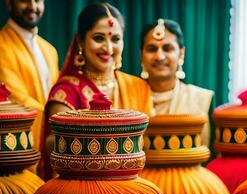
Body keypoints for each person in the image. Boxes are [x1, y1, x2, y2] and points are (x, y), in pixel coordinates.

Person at [39, 3, 152, 180]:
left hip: (136, 183)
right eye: (99, 38)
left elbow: (150, 146)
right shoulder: (66, 92)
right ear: (81, 41)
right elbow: (55, 145)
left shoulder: (138, 87)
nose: (108, 48)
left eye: (115, 39)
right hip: (84, 186)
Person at [140, 19, 214, 146]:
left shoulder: (202, 100)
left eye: (167, 48)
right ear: (141, 55)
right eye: (152, 49)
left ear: (181, 54)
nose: (160, 56)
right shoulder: (126, 97)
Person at [0, 0, 59, 154]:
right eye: (25, 0)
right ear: (8, 3)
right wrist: (59, 121)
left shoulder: (49, 50)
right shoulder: (1, 46)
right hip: (16, 150)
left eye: (38, 0)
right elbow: (15, 100)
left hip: (51, 144)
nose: (33, 6)